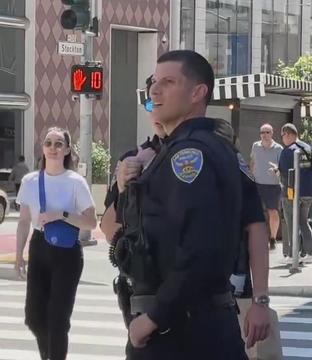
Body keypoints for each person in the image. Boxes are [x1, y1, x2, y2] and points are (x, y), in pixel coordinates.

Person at [103, 77, 272, 358]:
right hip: (150, 311)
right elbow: (110, 232)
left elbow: (254, 224)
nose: (156, 107)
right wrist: (124, 188)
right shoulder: (132, 160)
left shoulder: (214, 152)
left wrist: (261, 300)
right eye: (150, 101)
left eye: (164, 96)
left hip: (208, 311)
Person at [124, 50, 247, 359]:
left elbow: (198, 248)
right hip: (201, 324)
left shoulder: (188, 154)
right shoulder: (212, 148)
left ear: (197, 92)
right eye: (154, 81)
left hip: (182, 330)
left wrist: (153, 319)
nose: (155, 90)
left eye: (168, 82)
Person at [14, 127, 97, 360]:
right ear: (42, 148)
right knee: (34, 317)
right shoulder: (30, 181)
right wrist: (18, 255)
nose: (53, 148)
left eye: (59, 144)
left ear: (67, 150)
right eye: (48, 143)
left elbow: (91, 222)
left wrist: (61, 214)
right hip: (39, 246)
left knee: (58, 319)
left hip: (67, 252)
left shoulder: (75, 182)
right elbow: (22, 222)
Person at [277, 123, 312, 264]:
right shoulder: (307, 148)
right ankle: (311, 253)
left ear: (287, 134)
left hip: (292, 193)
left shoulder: (288, 151)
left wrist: (275, 171)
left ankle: (292, 255)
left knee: (291, 223)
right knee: (303, 222)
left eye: (282, 135)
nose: (282, 138)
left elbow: (283, 173)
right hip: (308, 192)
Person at [250, 124, 284, 250]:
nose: (264, 135)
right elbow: (252, 162)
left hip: (273, 185)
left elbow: (282, 168)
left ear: (272, 133)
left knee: (273, 212)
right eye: (262, 132)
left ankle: (273, 238)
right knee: (257, 212)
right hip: (258, 184)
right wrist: (251, 178)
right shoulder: (256, 146)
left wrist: (276, 170)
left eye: (267, 132)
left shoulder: (278, 148)